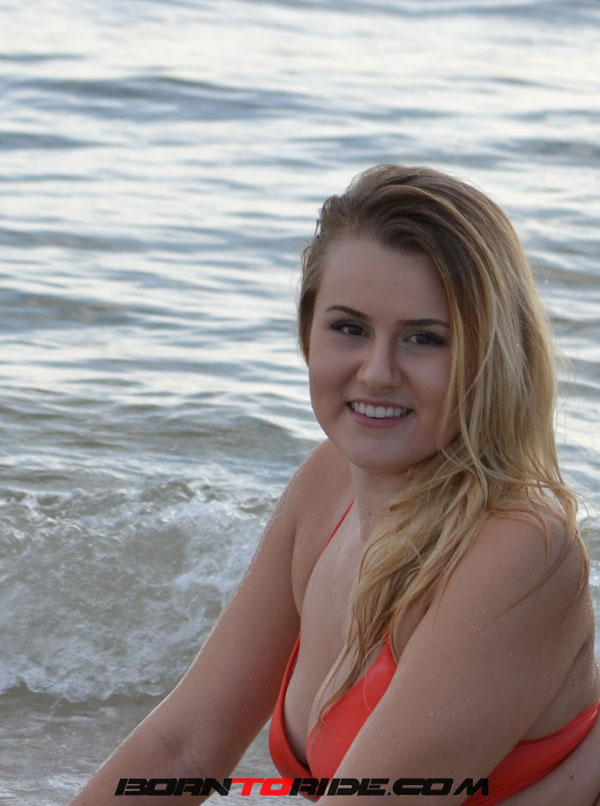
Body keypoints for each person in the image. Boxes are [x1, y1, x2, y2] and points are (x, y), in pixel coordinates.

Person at [70, 165, 600, 805]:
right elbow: (183, 747)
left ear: (491, 355)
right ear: (308, 331)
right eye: (350, 328)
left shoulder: (517, 546)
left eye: (424, 339)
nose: (376, 373)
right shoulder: (329, 481)